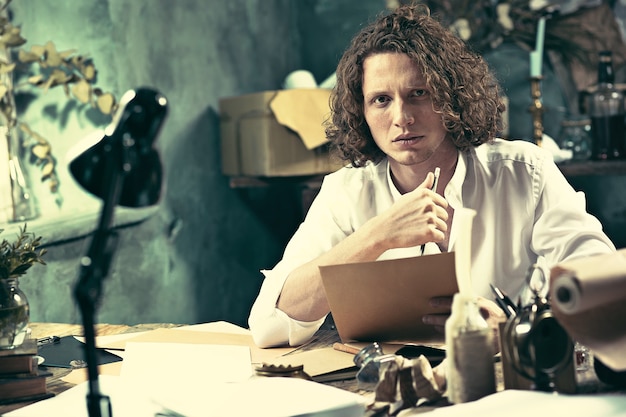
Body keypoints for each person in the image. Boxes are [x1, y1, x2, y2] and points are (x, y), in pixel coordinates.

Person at [248, 4, 616, 348]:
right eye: (381, 99)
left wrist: (513, 326)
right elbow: (269, 325)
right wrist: (377, 236)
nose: (401, 118)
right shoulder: (346, 191)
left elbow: (604, 286)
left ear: (450, 96)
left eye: (418, 93)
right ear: (360, 109)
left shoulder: (524, 172)